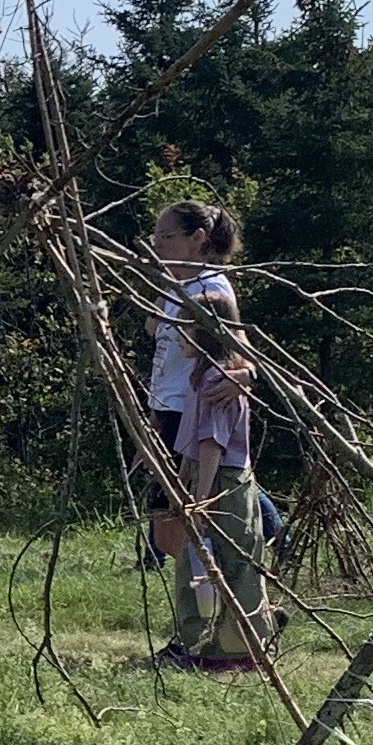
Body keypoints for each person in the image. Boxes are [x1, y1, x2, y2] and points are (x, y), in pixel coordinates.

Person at [143, 200, 244, 666]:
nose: (157, 243)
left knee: (184, 522)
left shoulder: (210, 287)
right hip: (166, 407)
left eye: (167, 236)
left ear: (198, 239)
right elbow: (154, 328)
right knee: (168, 525)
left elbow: (237, 349)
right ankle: (218, 617)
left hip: (193, 413)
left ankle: (202, 631)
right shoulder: (177, 285)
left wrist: (245, 376)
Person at [170, 279, 267, 671]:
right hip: (203, 474)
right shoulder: (200, 374)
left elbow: (213, 444)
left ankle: (239, 650)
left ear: (206, 331)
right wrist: (180, 475)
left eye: (186, 327)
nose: (179, 335)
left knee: (234, 561)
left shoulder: (217, 379)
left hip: (223, 481)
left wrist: (201, 499)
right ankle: (200, 642)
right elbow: (194, 441)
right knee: (195, 564)